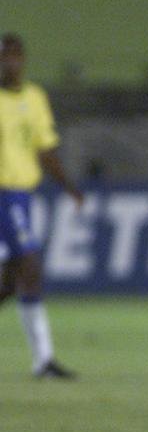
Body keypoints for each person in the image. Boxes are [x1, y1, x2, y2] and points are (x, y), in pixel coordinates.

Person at [0, 33, 83, 379]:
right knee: (30, 264)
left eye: (16, 56)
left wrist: (68, 188)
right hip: (3, 195)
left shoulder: (35, 97)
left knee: (11, 280)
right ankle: (44, 360)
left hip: (23, 195)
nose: (11, 63)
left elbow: (44, 149)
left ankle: (44, 361)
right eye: (5, 57)